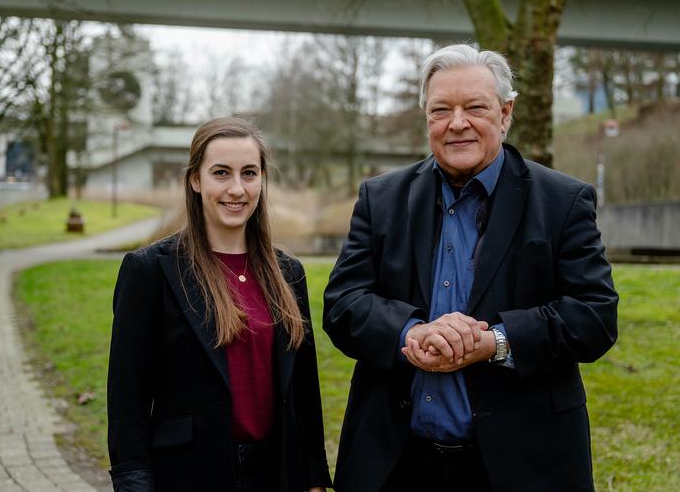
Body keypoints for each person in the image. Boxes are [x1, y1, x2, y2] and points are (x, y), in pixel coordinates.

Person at [323, 44, 619, 491]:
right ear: (427, 118)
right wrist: (411, 332)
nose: (457, 123)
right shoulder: (381, 199)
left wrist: (495, 342)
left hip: (522, 465)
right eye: (441, 109)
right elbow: (343, 305)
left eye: (475, 107)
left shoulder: (562, 201)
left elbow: (594, 316)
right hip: (397, 463)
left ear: (505, 113)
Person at [107, 117, 332, 492]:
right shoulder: (150, 272)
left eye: (249, 173)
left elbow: (305, 394)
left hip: (276, 474)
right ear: (195, 180)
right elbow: (127, 403)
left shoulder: (288, 273)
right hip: (189, 475)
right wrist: (133, 483)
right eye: (221, 173)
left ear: (262, 179)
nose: (237, 189)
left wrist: (313, 478)